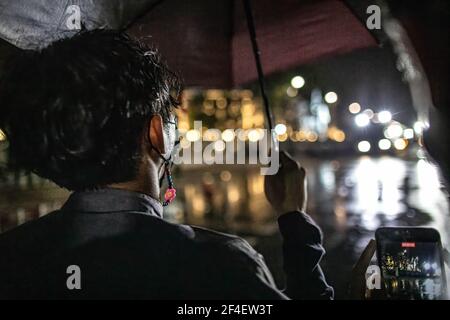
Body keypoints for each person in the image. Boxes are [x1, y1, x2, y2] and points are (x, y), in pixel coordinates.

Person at [0, 29, 333, 299]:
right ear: (157, 133)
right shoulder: (220, 265)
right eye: (172, 121)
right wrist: (295, 222)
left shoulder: (12, 258)